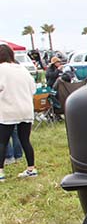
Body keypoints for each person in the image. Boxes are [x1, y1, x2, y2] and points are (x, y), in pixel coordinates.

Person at [0, 44, 38, 181]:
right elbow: (33, 89)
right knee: (25, 140)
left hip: (8, 110)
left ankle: (0, 172)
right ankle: (31, 169)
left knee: (2, 141)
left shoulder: (1, 69)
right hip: (26, 109)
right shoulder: (22, 69)